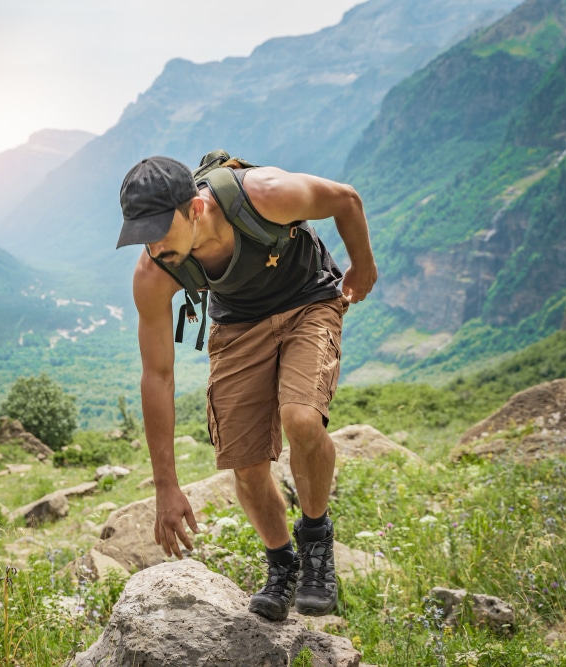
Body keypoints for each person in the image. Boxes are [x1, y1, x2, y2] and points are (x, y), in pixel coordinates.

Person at [115, 155, 376, 620]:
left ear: (194, 208)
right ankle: (283, 565)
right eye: (142, 235)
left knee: (300, 418)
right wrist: (165, 485)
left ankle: (316, 546)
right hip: (238, 324)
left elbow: (346, 199)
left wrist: (363, 267)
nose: (154, 247)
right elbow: (157, 376)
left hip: (308, 301)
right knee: (246, 463)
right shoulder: (153, 274)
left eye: (160, 231)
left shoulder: (265, 195)